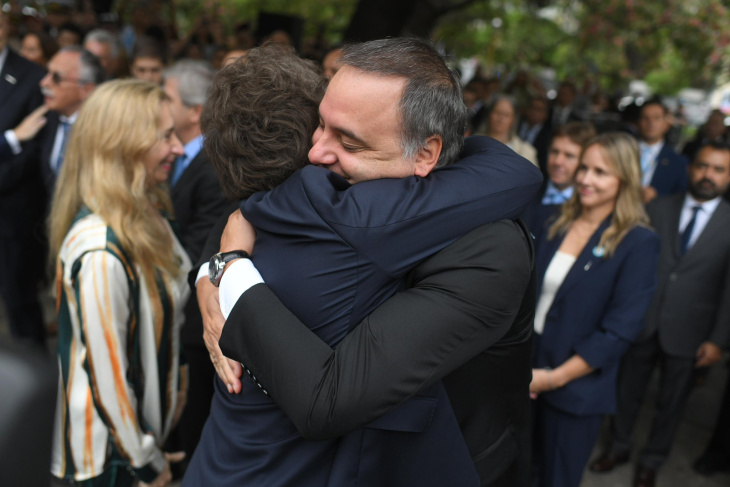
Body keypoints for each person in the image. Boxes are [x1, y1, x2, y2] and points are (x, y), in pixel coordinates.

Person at [195, 39, 540, 487]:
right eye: (320, 125)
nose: (314, 154)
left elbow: (328, 399)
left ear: (425, 154)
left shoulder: (488, 247)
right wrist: (211, 272)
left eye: (349, 142)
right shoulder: (322, 186)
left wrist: (232, 271)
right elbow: (247, 211)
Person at [48, 79, 189, 486]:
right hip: (110, 463)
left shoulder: (148, 214)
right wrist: (148, 464)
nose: (180, 148)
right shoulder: (100, 250)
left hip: (140, 441)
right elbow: (108, 381)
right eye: (166, 136)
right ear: (124, 145)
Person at [590, 141, 730, 487]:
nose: (708, 175)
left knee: (673, 403)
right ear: (690, 168)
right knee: (627, 391)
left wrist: (718, 340)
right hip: (643, 320)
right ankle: (618, 447)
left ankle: (652, 460)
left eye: (718, 169)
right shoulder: (659, 206)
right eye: (702, 166)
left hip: (692, 330)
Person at [529, 132, 660, 487]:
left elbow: (618, 332)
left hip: (575, 390)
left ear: (625, 179)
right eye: (584, 168)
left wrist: (552, 378)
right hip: (525, 372)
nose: (586, 179)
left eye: (601, 172)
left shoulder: (639, 242)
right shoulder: (552, 219)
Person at [162, 59, 227, 464]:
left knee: (192, 412)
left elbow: (196, 247)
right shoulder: (176, 153)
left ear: (194, 111)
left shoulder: (212, 167)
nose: (159, 103)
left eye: (166, 97)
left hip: (191, 312)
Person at [0, 9, 49, 347]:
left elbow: (34, 152)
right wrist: (11, 138)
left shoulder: (33, 77)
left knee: (20, 301)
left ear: (5, 27)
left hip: (13, 213)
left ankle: (33, 372)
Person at [38, 47, 104, 195]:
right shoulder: (44, 120)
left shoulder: (105, 132)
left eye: (56, 78)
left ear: (87, 89)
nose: (44, 82)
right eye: (47, 73)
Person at [522, 121, 596, 239]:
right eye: (554, 152)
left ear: (584, 163)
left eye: (569, 156)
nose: (558, 161)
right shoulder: (527, 190)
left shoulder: (589, 207)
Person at [637, 99, 688, 203]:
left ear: (666, 124)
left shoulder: (679, 163)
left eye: (657, 118)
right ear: (639, 122)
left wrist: (658, 196)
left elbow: (680, 197)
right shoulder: (622, 151)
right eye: (646, 118)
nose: (651, 123)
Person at [478, 94, 538, 166]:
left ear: (514, 119)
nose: (501, 119)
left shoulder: (526, 152)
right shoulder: (473, 142)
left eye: (506, 115)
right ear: (489, 114)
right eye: (498, 112)